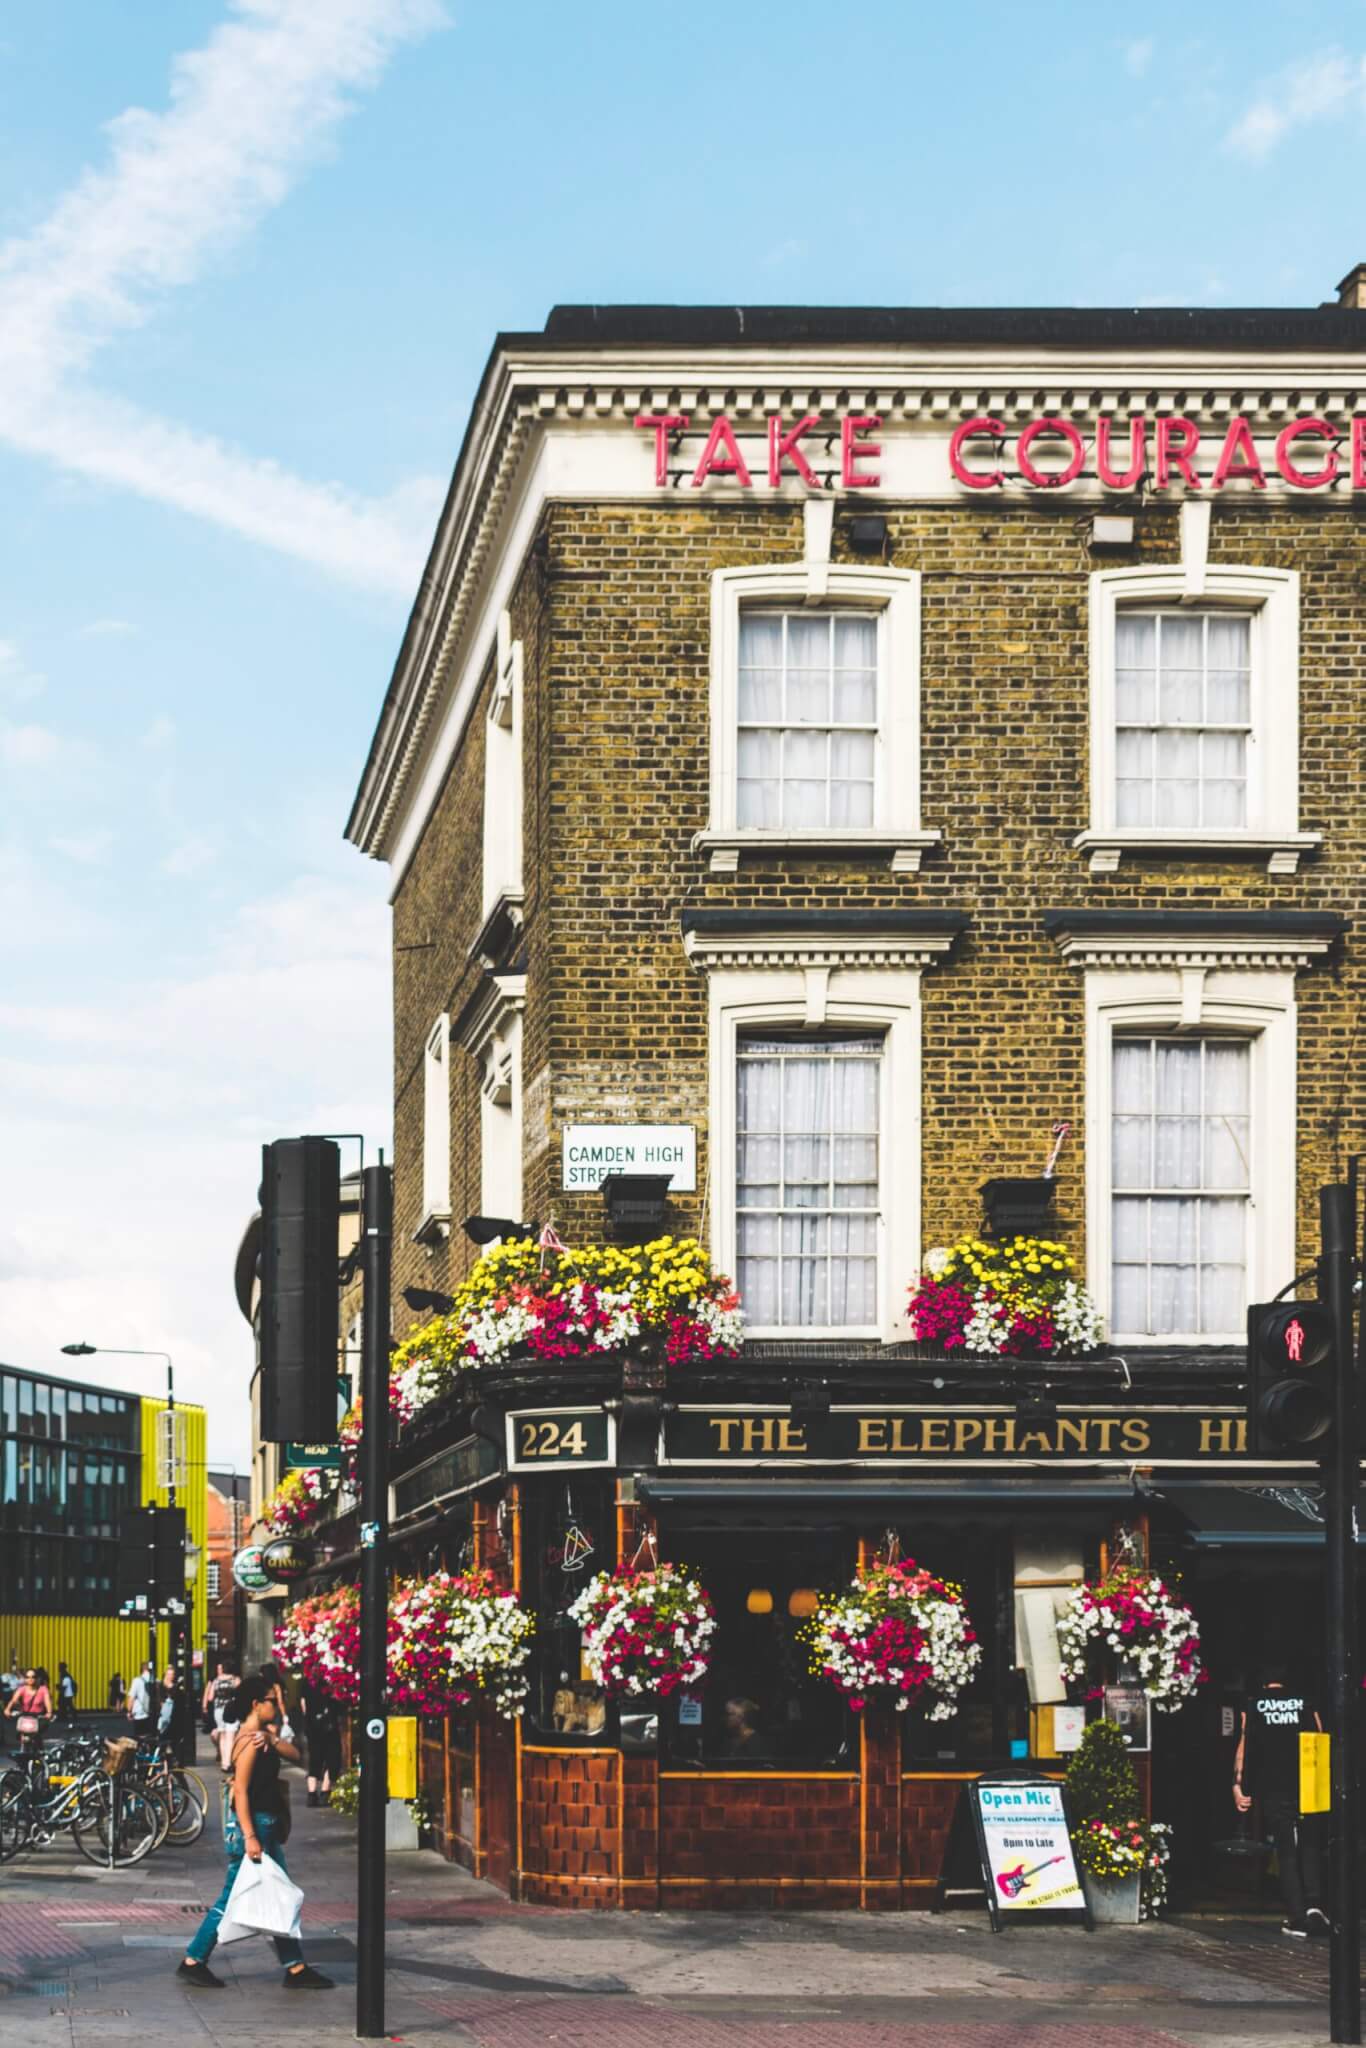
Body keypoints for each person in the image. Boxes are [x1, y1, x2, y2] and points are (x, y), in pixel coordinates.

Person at [177, 1672, 333, 1991]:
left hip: (263, 1826)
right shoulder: (248, 1742)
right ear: (255, 1704)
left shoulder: (262, 1737)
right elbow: (241, 1792)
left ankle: (295, 1967)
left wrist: (273, 1740)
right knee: (241, 1896)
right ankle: (195, 1959)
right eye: (271, 1700)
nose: (276, 1704)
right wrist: (250, 1836)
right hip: (254, 1827)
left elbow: (296, 1755)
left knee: (276, 1892)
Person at [1233, 1662, 1329, 1939]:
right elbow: (1320, 1737)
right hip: (1307, 1783)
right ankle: (1315, 1907)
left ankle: (1297, 1917)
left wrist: (1242, 1785)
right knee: (1310, 1843)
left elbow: (1247, 1745)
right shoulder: (1304, 1702)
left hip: (1275, 1787)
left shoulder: (1255, 1705)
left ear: (1264, 1684)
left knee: (1286, 1850)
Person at [302, 1682, 341, 1807]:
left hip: (313, 1727)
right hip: (330, 1728)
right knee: (332, 1759)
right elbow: (338, 1704)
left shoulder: (306, 1684)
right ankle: (325, 1792)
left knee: (314, 1759)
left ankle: (311, 1794)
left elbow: (303, 1705)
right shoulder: (332, 1684)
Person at [4, 1668, 54, 1754]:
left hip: (39, 1717)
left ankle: (40, 1754)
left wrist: (49, 1713)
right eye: (27, 1677)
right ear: (25, 1678)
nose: (30, 1679)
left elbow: (47, 1701)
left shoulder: (43, 1689)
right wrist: (8, 1710)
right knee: (21, 1733)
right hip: (25, 1717)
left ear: (37, 1678)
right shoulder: (22, 1689)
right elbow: (13, 1700)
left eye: (33, 1677)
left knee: (37, 1735)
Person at [127, 1663, 155, 1741]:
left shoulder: (137, 1680)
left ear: (141, 1670)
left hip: (139, 1712)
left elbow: (131, 1697)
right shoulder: (155, 1680)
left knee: (140, 1736)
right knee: (150, 1735)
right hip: (151, 1712)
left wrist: (129, 1711)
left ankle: (141, 1750)